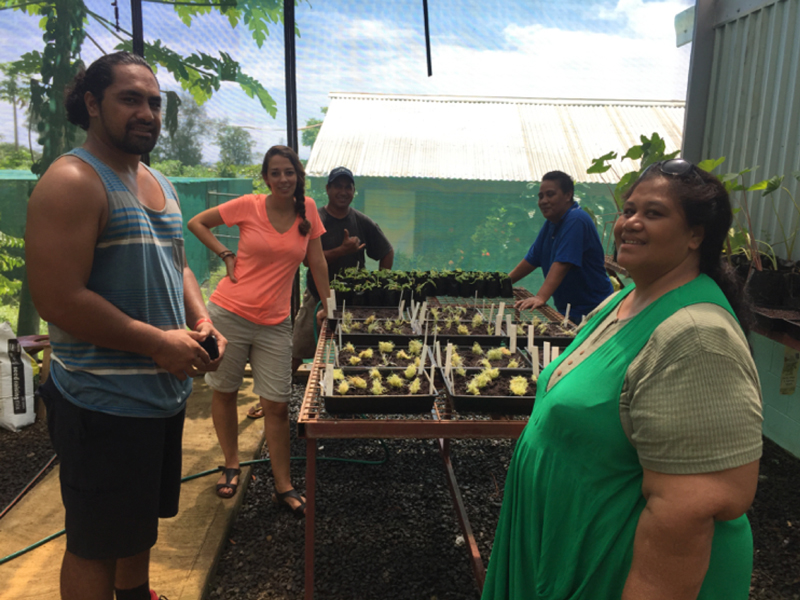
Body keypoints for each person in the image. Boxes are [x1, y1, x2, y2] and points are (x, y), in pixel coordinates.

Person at [482, 159, 763, 600]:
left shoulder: (697, 337)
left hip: (621, 570)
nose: (630, 222)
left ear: (696, 235)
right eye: (628, 210)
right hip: (572, 549)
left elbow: (688, 511)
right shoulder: (626, 299)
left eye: (654, 213)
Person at [25, 51, 226, 600]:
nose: (147, 113)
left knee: (137, 527)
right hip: (101, 402)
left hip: (158, 398)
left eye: (154, 103)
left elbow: (177, 265)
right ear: (92, 103)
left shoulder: (157, 180)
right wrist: (158, 343)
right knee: (95, 544)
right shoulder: (73, 180)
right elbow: (59, 299)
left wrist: (201, 320)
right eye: (130, 99)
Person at [187, 145, 330, 515]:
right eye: (275, 173)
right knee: (225, 391)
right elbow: (197, 223)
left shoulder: (308, 209)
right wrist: (225, 254)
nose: (283, 179)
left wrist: (328, 305)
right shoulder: (248, 205)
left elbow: (316, 261)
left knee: (277, 405)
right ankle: (231, 463)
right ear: (266, 178)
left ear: (298, 175)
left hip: (275, 323)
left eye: (289, 172)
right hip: (229, 313)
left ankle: (283, 485)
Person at [246, 165, 393, 419]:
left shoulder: (361, 221)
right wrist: (342, 251)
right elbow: (306, 259)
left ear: (353, 191)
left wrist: (378, 287)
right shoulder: (315, 218)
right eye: (338, 186)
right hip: (317, 297)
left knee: (355, 351)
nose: (343, 192)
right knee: (297, 350)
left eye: (348, 187)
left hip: (352, 303)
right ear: (328, 189)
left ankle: (355, 398)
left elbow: (386, 252)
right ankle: (271, 400)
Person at [509, 170, 613, 322]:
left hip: (594, 311)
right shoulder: (551, 223)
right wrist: (503, 284)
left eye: (550, 194)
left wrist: (540, 297)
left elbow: (563, 262)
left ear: (568, 195)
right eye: (540, 196)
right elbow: (532, 259)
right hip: (571, 310)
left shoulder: (577, 219)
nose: (543, 201)